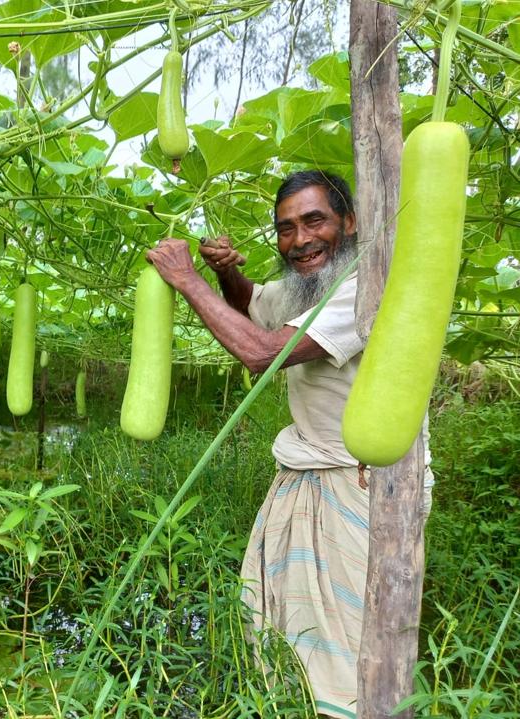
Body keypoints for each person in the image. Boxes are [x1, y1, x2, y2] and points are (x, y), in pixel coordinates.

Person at [146, 170, 432, 719]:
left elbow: (261, 351)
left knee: (356, 649)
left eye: (313, 221)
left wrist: (187, 281)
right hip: (314, 474)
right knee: (296, 640)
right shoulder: (312, 285)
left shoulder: (366, 288)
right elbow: (255, 305)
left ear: (349, 222)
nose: (299, 240)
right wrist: (223, 275)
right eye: (285, 229)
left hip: (367, 487)